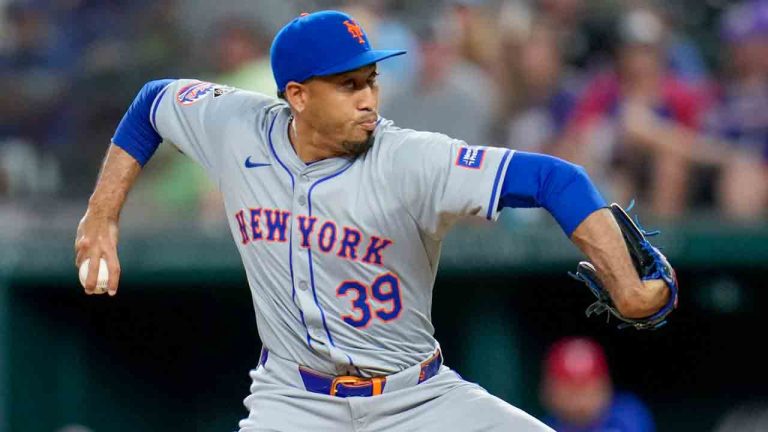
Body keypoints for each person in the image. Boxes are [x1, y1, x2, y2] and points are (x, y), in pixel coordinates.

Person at [74, 10, 672, 431]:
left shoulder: (411, 158)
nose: (369, 98)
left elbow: (556, 181)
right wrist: (101, 216)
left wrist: (628, 287)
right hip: (293, 402)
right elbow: (152, 102)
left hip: (416, 400)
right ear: (298, 95)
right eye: (348, 84)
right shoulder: (235, 125)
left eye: (372, 80)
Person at [540, 337, 655, 432]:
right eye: (570, 391)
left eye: (586, 389)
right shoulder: (538, 426)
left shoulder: (628, 416)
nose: (579, 401)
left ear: (605, 386)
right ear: (549, 391)